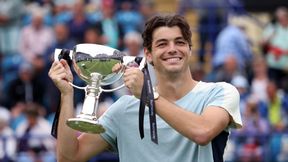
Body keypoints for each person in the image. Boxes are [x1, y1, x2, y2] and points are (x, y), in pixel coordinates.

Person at [48, 14, 242, 162]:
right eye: (162, 44)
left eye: (180, 42)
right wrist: (67, 94)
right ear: (148, 54)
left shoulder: (220, 92)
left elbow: (202, 132)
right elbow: (68, 158)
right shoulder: (123, 109)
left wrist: (148, 95)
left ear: (190, 50)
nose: (172, 49)